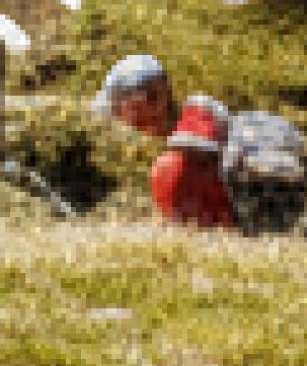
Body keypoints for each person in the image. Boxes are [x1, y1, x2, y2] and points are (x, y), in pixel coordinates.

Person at [99, 52, 235, 231]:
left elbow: (200, 155)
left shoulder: (197, 112)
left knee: (166, 169)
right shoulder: (181, 134)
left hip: (240, 217)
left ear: (155, 98)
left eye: (120, 107)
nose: (122, 118)